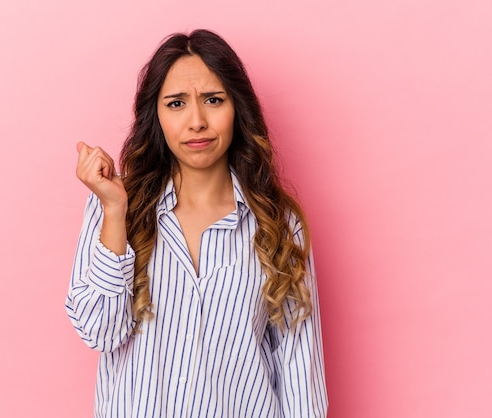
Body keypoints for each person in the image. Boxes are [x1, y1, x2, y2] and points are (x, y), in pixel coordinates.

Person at [66, 29, 328, 418]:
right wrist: (114, 211)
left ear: (237, 108)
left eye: (213, 100)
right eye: (176, 103)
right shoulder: (114, 207)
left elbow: (298, 368)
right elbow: (100, 332)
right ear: (155, 114)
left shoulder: (278, 224)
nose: (197, 121)